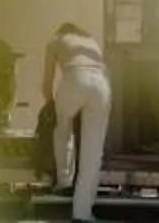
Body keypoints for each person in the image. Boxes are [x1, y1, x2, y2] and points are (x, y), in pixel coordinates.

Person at [43, 21, 112, 223]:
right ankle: (82, 213)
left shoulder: (56, 40)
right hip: (101, 86)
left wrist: (50, 104)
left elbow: (47, 83)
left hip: (74, 79)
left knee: (62, 130)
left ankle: (63, 180)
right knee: (92, 153)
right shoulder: (90, 41)